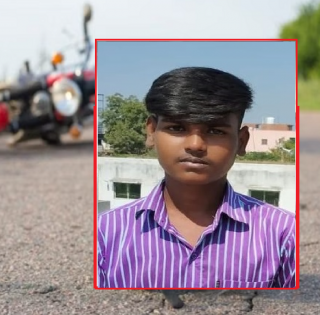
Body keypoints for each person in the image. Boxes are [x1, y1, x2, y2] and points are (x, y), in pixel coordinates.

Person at [96, 67, 296, 289]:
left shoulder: (284, 233)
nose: (195, 145)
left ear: (241, 141)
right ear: (151, 132)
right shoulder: (106, 233)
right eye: (177, 127)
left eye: (215, 131)